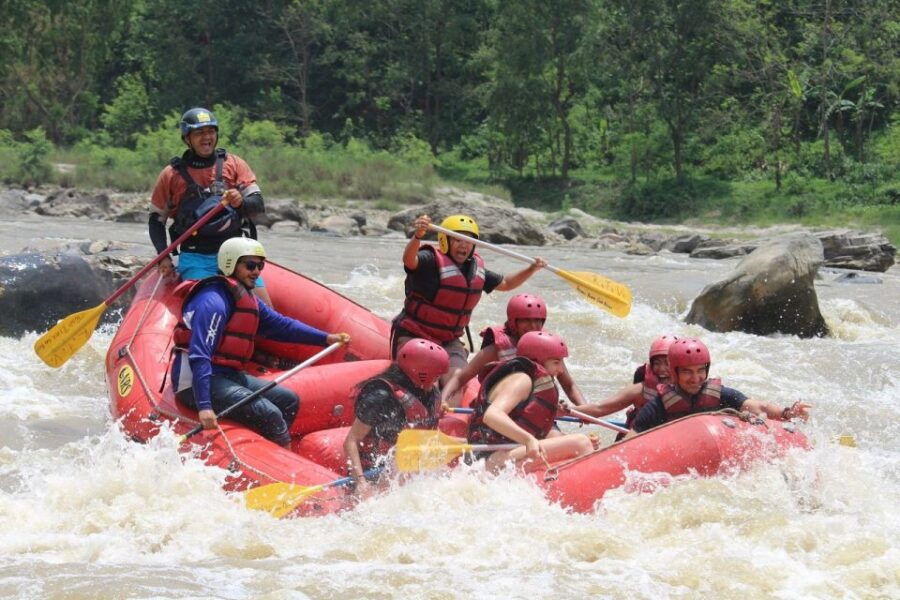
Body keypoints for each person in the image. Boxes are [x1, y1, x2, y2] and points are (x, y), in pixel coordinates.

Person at [170, 238, 350, 447]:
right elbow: (200, 355)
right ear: (230, 264)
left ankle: (269, 447)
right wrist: (204, 406)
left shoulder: (245, 297)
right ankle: (282, 456)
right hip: (195, 382)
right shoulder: (213, 302)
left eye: (260, 266)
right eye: (250, 265)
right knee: (269, 413)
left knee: (288, 400)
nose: (256, 271)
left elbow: (282, 325)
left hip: (227, 375)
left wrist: (326, 338)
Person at [392, 213, 546, 385]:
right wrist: (418, 236)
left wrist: (532, 268)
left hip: (449, 342)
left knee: (456, 381)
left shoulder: (475, 269)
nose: (463, 245)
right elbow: (409, 260)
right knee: (427, 381)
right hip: (415, 334)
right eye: (458, 240)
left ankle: (446, 410)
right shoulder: (430, 260)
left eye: (468, 241)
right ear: (445, 241)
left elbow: (506, 283)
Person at [148, 107, 272, 305]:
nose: (207, 137)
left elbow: (257, 205)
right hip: (196, 257)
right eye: (199, 133)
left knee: (265, 310)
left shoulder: (234, 164)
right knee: (209, 307)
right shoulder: (171, 175)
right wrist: (163, 257)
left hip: (237, 255)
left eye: (210, 132)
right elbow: (156, 221)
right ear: (187, 138)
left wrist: (240, 202)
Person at [467, 331, 593, 473]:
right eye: (556, 362)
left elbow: (521, 415)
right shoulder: (521, 379)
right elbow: (492, 416)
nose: (561, 369)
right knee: (581, 443)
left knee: (565, 439)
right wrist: (527, 440)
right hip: (487, 459)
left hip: (505, 454)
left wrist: (554, 413)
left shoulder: (531, 381)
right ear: (537, 360)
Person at [630, 338, 812, 433]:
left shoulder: (721, 395)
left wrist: (788, 412)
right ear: (674, 373)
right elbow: (629, 444)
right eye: (687, 372)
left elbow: (760, 407)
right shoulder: (658, 406)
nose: (695, 378)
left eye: (700, 370)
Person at [440, 293, 587, 410]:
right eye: (526, 320)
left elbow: (569, 385)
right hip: (500, 408)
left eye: (538, 320)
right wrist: (443, 400)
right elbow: (460, 378)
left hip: (534, 409)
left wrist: (585, 410)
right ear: (513, 321)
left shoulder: (548, 347)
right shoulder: (498, 347)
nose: (533, 326)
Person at [342, 338, 450, 495]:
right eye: (436, 376)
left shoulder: (430, 394)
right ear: (421, 373)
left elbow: (428, 438)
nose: (437, 380)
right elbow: (350, 441)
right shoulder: (381, 395)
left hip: (407, 467)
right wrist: (360, 483)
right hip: (374, 471)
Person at [578, 335, 678, 429]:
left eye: (667, 363)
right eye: (657, 363)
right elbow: (599, 408)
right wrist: (565, 409)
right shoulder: (640, 390)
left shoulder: (689, 387)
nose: (662, 369)